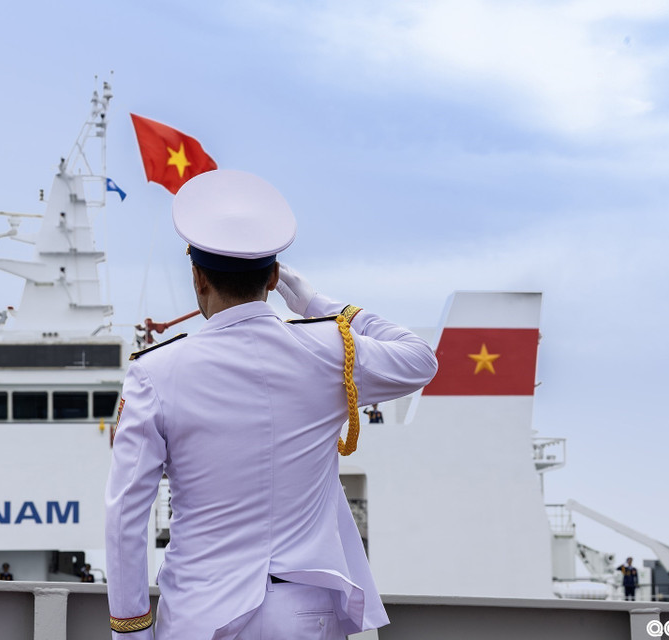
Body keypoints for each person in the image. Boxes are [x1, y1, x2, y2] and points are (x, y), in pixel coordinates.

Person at [105, 170, 438, 639]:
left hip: (201, 616)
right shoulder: (328, 349)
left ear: (198, 279)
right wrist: (315, 302)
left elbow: (126, 516)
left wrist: (131, 631)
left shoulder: (155, 372)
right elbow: (420, 360)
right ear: (276, 276)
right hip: (305, 616)